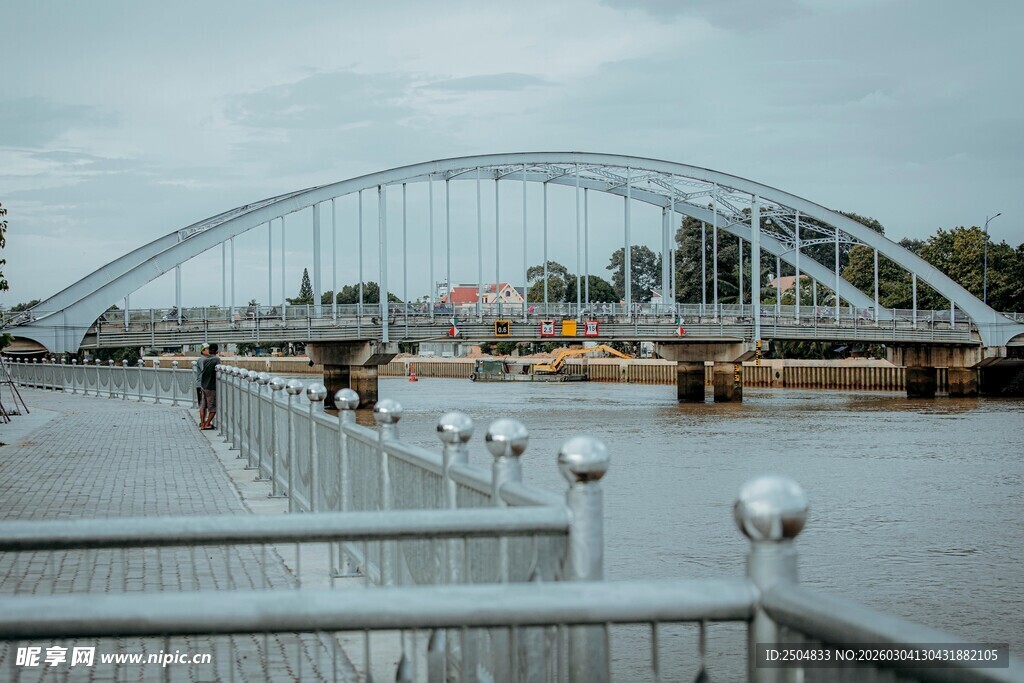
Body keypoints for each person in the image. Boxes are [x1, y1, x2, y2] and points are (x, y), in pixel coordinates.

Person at [198, 343, 220, 430]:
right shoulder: (216, 360)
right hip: (211, 386)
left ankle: (202, 423)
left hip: (203, 385)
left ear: (209, 350)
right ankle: (207, 424)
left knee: (203, 406)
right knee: (213, 407)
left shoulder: (205, 360)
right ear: (217, 351)